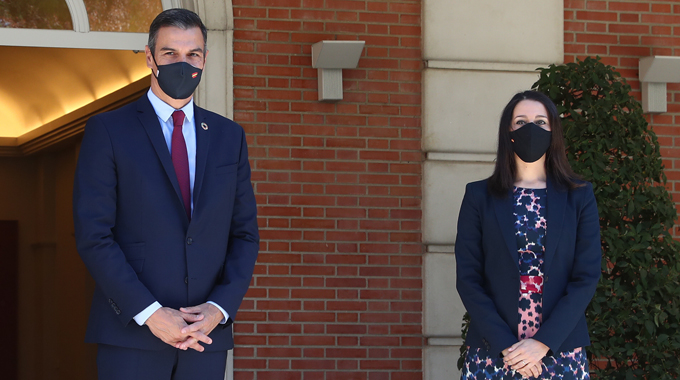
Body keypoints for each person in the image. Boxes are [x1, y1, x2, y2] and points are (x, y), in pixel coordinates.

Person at [73, 8, 259, 380]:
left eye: (193, 54)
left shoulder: (228, 136)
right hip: (132, 336)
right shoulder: (108, 130)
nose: (183, 63)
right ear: (149, 58)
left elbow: (244, 234)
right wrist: (151, 314)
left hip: (204, 337)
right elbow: (94, 235)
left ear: (205, 59)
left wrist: (218, 309)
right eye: (170, 53)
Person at [455, 90, 601, 379]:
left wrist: (542, 343)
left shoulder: (579, 197)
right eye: (520, 122)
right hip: (494, 352)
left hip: (559, 351)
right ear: (508, 131)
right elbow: (469, 278)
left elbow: (586, 277)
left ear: (553, 131)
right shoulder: (479, 196)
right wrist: (508, 347)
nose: (531, 129)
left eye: (540, 122)